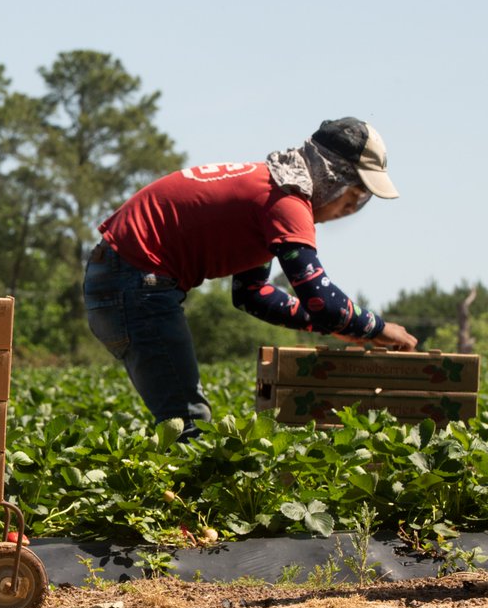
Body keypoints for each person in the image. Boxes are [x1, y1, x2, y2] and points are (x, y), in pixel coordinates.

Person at [84, 117, 417, 436]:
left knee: (184, 419)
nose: (352, 207)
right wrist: (378, 327)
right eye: (356, 192)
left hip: (122, 278)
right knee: (187, 421)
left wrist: (334, 326)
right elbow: (322, 300)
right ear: (332, 177)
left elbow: (252, 293)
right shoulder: (287, 201)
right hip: (134, 282)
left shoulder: (272, 190)